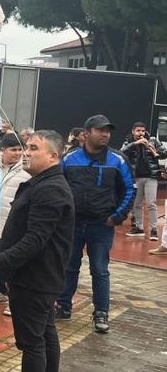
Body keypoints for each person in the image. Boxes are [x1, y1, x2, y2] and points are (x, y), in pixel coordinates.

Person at [0, 130, 74, 372]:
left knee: (32, 342)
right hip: (38, 278)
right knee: (44, 336)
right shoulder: (42, 184)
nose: (26, 153)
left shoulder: (51, 189)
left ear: (53, 156)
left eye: (33, 148)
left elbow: (36, 239)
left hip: (36, 279)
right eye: (26, 147)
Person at [57, 115, 135, 333]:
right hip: (72, 225)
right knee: (68, 267)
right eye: (100, 130)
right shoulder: (69, 159)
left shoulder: (117, 160)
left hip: (101, 225)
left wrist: (117, 216)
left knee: (99, 270)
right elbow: (57, 186)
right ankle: (63, 306)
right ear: (86, 133)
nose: (105, 134)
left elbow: (130, 189)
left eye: (108, 131)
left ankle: (101, 313)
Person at [0, 133, 31, 311]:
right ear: (2, 150)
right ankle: (1, 292)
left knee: (11, 261)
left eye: (20, 149)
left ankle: (14, 297)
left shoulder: (27, 170)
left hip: (12, 224)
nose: (18, 153)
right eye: (13, 149)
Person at [121, 122, 167, 240]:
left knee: (151, 203)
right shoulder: (129, 141)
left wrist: (153, 148)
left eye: (142, 131)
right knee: (137, 204)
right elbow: (121, 153)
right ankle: (139, 228)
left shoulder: (153, 140)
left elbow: (164, 154)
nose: (141, 133)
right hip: (135, 177)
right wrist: (134, 144)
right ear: (133, 131)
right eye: (138, 131)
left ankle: (153, 230)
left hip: (150, 176)